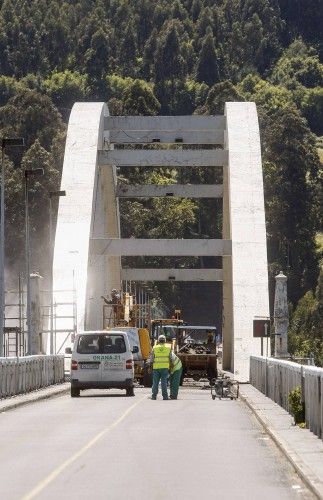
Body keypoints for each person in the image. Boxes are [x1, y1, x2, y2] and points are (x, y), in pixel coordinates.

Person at [149, 334, 171, 400]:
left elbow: (151, 359)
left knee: (155, 382)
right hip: (165, 368)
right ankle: (165, 397)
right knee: (164, 382)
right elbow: (171, 358)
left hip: (156, 368)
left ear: (158, 341)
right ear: (165, 341)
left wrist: (150, 367)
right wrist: (170, 367)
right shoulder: (168, 347)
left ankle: (154, 396)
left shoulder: (154, 348)